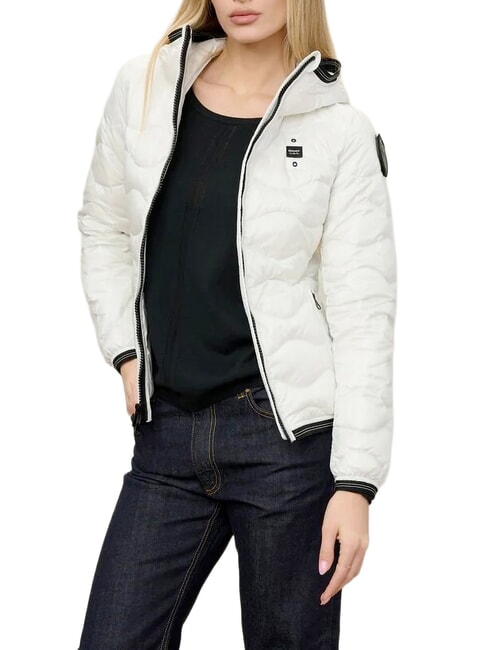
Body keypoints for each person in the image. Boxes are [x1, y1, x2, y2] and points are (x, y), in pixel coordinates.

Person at [76, 1, 397, 648]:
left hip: (283, 446)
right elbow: (103, 226)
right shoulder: (145, 87)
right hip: (167, 437)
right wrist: (126, 352)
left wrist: (355, 485)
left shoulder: (339, 132)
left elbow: (364, 313)